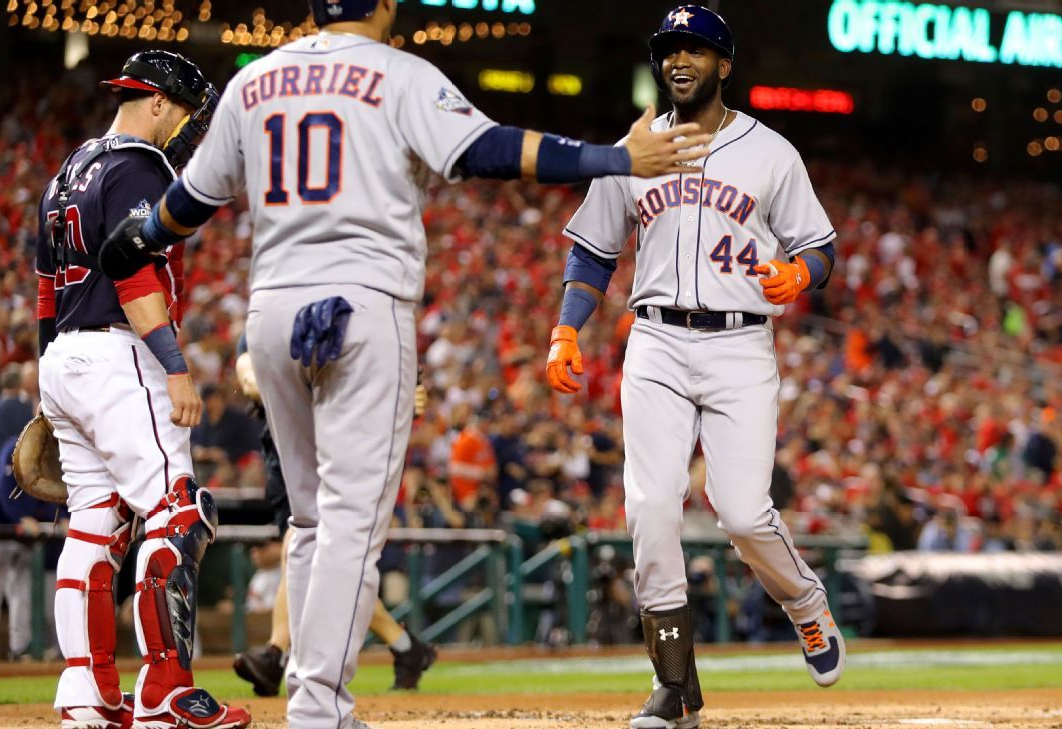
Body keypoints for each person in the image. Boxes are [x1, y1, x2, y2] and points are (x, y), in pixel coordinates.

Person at [99, 0, 709, 724]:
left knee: (310, 519)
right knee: (353, 524)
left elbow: (188, 201)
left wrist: (137, 236)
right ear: (383, 6)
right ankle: (319, 705)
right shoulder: (399, 72)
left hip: (270, 312)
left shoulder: (255, 79)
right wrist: (615, 158)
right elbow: (492, 150)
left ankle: (310, 688)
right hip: (363, 302)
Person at [544, 7, 845, 728]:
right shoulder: (637, 143)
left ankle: (804, 601)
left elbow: (821, 247)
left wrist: (799, 275)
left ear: (724, 64)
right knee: (649, 507)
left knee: (741, 511)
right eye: (669, 50)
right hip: (655, 339)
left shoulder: (770, 151)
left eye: (696, 49)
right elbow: (593, 248)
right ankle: (672, 687)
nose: (679, 60)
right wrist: (565, 328)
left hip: (740, 344)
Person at [33, 51, 248, 728]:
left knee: (93, 526)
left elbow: (46, 289)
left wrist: (50, 386)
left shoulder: (68, 169)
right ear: (158, 102)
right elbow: (132, 275)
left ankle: (86, 696)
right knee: (176, 511)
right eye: (184, 111)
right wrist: (174, 364)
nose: (186, 127)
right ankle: (165, 689)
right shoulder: (140, 164)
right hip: (120, 353)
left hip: (65, 354)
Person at [231, 341, 438, 697]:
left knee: (308, 547)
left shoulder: (339, 309)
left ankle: (276, 654)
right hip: (285, 446)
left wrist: (403, 394)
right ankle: (405, 646)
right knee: (311, 554)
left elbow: (382, 370)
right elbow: (248, 376)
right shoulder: (269, 312)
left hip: (335, 441)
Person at [0, 438, 60, 663]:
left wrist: (60, 518)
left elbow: (50, 491)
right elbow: (4, 491)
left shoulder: (50, 453)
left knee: (21, 591)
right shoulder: (15, 446)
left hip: (24, 535)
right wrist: (21, 517)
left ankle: (20, 647)